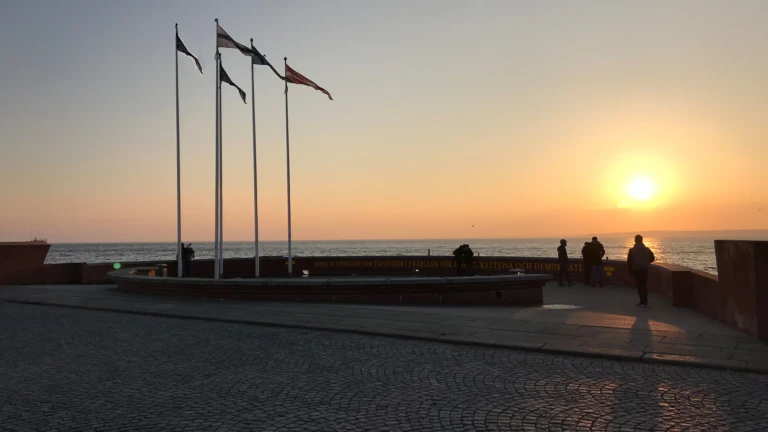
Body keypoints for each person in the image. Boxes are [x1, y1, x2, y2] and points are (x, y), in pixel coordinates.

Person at [628, 234, 655, 306]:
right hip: (645, 269)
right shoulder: (647, 249)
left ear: (635, 240)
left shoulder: (632, 250)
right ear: (642, 240)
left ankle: (642, 300)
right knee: (644, 284)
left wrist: (630, 271)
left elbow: (629, 262)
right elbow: (652, 258)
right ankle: (645, 300)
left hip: (636, 270)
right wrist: (646, 262)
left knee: (639, 285)